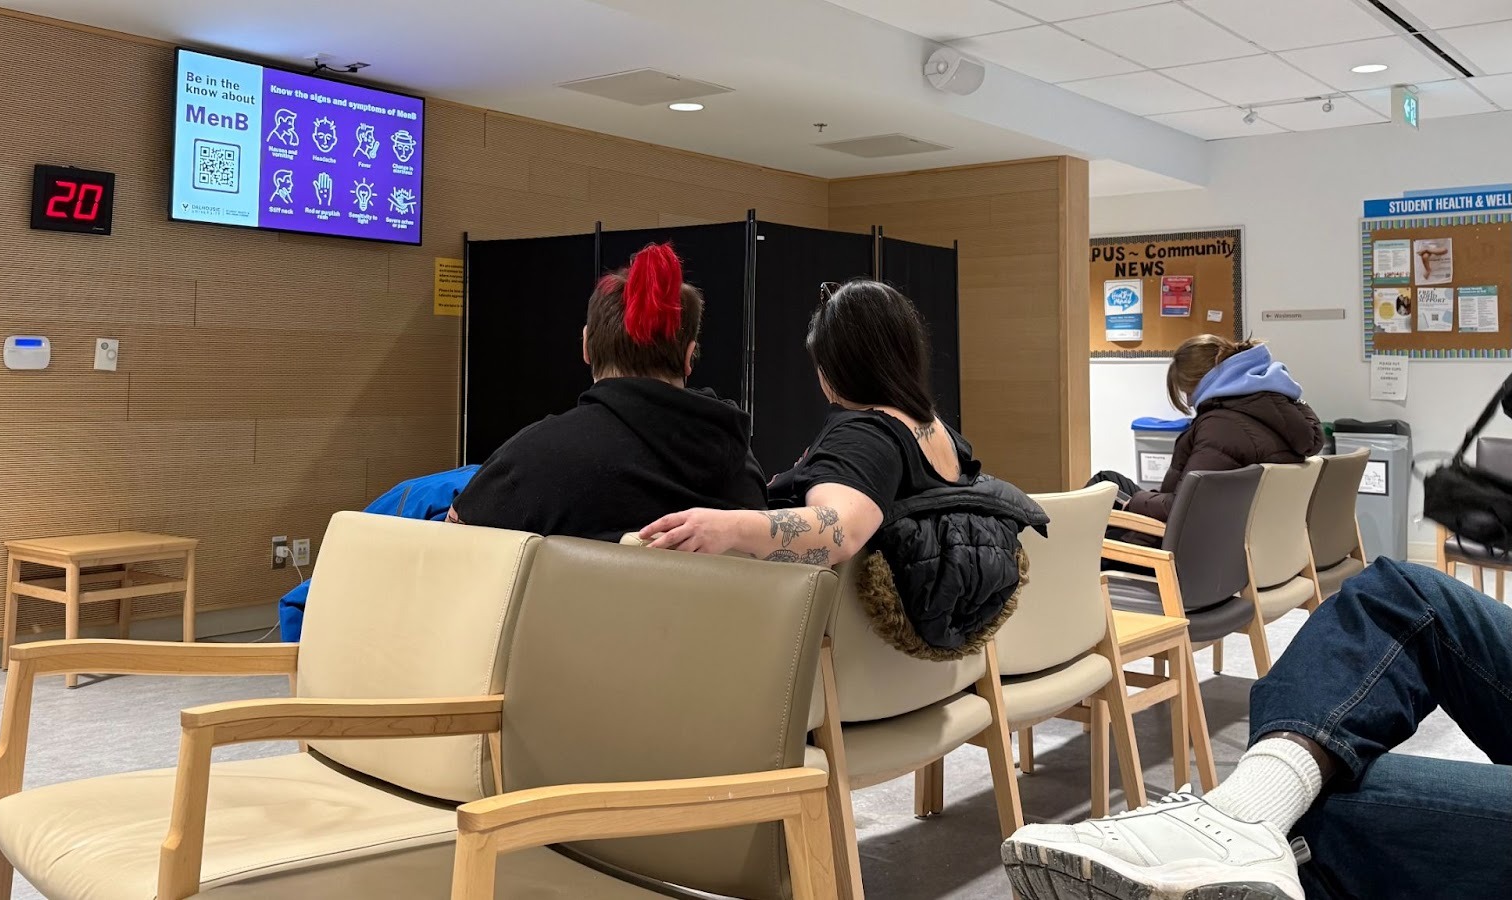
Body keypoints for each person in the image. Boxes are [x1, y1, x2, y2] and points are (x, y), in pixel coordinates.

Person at [1002, 558, 1512, 900]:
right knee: (1399, 593)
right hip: (1225, 577)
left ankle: (1242, 821)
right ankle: (1241, 820)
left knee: (1315, 817)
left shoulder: (1212, 437)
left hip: (1180, 580)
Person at [641, 280, 1042, 656]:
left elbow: (841, 530)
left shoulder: (865, 435)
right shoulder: (941, 435)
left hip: (804, 659)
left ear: (837, 367)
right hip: (893, 671)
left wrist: (727, 526)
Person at [448, 243, 766, 542]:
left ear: (586, 347)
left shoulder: (530, 461)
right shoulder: (742, 471)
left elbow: (455, 548)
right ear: (688, 357)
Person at [1103, 335, 1322, 542]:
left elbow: (1186, 507)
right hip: (1241, 539)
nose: (1190, 402)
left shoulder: (1219, 427)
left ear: (1198, 383)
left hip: (1185, 547)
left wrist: (1136, 503)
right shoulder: (1274, 414)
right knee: (1108, 480)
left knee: (1101, 495)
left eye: (1186, 392)